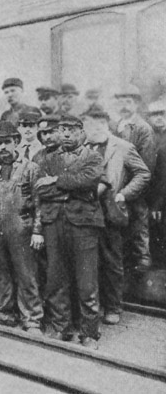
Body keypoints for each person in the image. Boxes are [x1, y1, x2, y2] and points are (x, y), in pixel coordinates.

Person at [35, 114, 104, 349]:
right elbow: (40, 190)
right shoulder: (47, 158)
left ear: (81, 132)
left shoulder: (93, 156)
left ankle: (89, 333)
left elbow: (89, 180)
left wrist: (56, 182)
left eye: (71, 130)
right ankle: (60, 327)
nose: (65, 133)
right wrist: (68, 189)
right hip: (54, 223)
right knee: (57, 278)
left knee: (87, 282)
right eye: (62, 129)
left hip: (84, 225)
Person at [0, 121, 45, 333]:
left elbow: (40, 203)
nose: (2, 147)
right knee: (0, 271)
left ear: (16, 142)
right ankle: (4, 312)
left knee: (26, 273)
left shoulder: (30, 168)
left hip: (21, 228)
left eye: (7, 142)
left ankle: (31, 318)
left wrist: (38, 231)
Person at [81, 105, 150, 326]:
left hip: (111, 212)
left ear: (105, 124)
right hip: (86, 214)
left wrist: (123, 194)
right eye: (89, 124)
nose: (93, 128)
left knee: (112, 261)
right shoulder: (83, 148)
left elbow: (143, 173)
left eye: (98, 123)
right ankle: (94, 305)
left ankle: (113, 307)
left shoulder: (123, 147)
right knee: (90, 261)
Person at [113, 85, 156, 271]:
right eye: (120, 102)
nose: (124, 106)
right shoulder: (115, 126)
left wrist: (132, 186)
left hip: (135, 183)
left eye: (128, 102)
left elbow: (147, 165)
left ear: (137, 104)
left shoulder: (143, 128)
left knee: (138, 218)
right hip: (117, 183)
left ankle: (142, 258)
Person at [147, 101, 166, 260]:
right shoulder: (147, 137)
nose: (159, 118)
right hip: (149, 194)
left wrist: (157, 204)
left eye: (163, 114)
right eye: (155, 115)